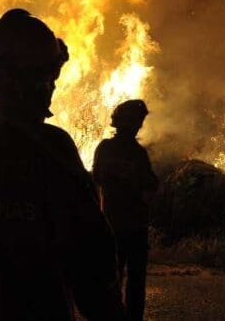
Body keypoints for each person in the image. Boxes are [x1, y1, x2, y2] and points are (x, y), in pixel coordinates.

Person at [0, 8, 126, 321]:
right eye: (49, 76)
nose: (53, 86)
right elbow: (91, 262)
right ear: (36, 80)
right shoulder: (53, 152)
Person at [92, 100, 159, 321]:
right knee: (136, 280)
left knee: (112, 277)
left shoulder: (104, 148)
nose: (140, 125)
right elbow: (150, 184)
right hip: (134, 225)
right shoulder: (138, 153)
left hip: (110, 223)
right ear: (134, 124)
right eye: (138, 121)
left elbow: (96, 179)